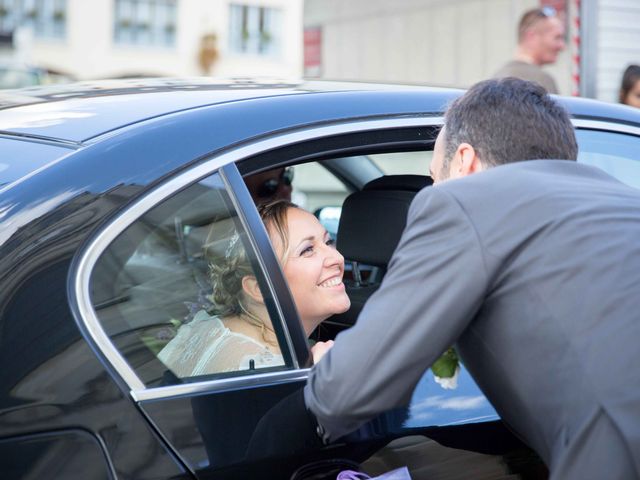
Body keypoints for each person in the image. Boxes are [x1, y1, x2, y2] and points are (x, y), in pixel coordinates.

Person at [305, 78, 640, 479]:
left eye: (434, 176)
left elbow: (344, 395)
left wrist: (323, 367)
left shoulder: (464, 202)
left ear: (465, 162)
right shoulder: (622, 199)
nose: (432, 191)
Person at [159, 200, 349, 376]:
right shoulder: (268, 370)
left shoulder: (205, 329)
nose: (338, 258)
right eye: (307, 250)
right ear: (259, 288)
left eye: (328, 242)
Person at [493, 7, 565, 93]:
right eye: (557, 37)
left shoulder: (496, 79)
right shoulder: (541, 81)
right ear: (531, 36)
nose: (562, 46)